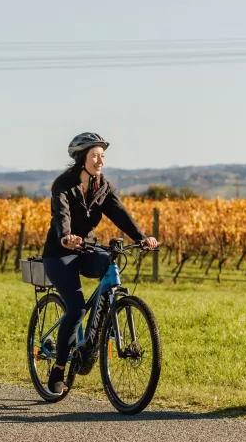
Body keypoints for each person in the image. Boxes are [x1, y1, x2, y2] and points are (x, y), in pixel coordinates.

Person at [41, 132, 158, 395]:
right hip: (60, 253)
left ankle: (102, 329)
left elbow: (120, 213)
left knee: (109, 265)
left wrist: (141, 238)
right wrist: (66, 237)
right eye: (95, 155)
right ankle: (59, 368)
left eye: (102, 156)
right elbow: (62, 215)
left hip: (87, 248)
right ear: (82, 158)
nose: (100, 160)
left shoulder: (102, 187)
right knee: (76, 309)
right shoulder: (64, 184)